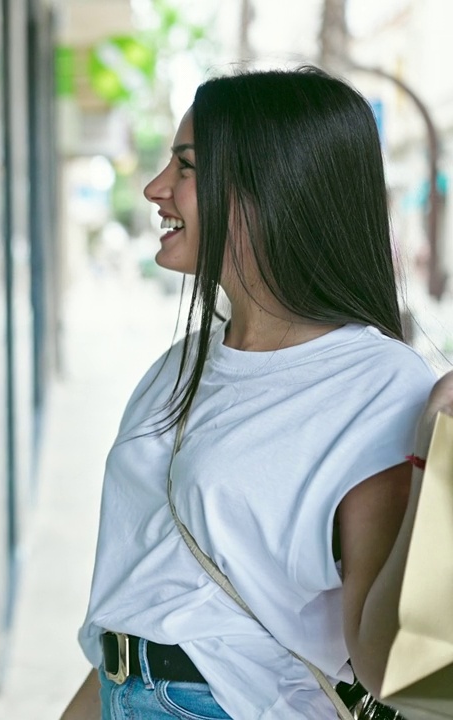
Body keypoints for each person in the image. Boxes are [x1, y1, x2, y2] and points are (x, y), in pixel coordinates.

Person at [61, 67, 441, 719]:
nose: (156, 190)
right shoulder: (177, 367)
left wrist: (438, 458)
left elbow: (388, 664)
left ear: (269, 188)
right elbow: (143, 596)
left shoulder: (379, 386)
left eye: (185, 167)